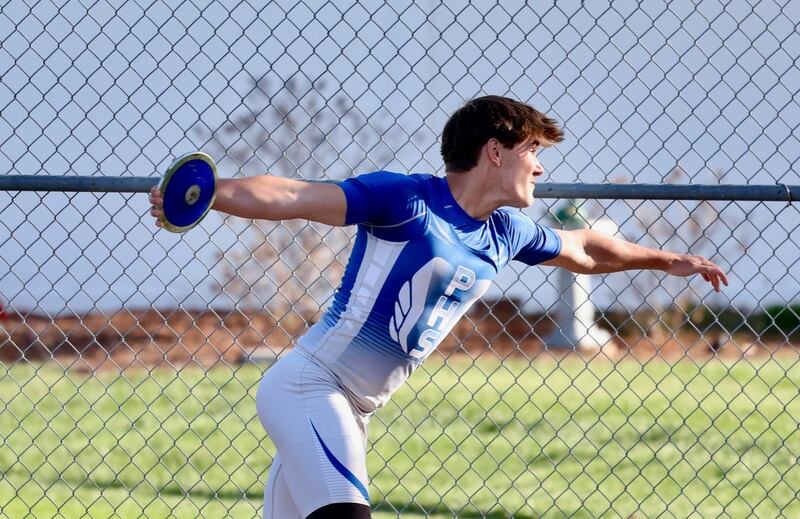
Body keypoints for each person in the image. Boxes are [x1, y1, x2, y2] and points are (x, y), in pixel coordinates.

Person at [149, 95, 728, 519]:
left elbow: (583, 249)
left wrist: (661, 259)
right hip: (311, 386)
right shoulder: (405, 199)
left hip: (354, 409)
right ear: (495, 151)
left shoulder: (506, 231)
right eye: (534, 151)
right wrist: (213, 192)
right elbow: (298, 197)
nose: (542, 165)